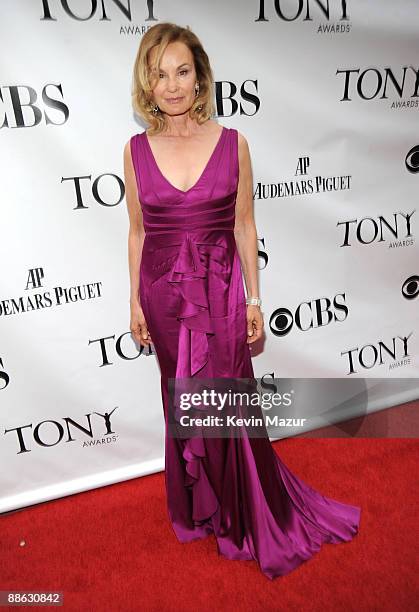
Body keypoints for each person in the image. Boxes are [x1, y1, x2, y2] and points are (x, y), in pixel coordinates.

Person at [123, 22, 361, 580]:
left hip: (222, 288)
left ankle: (242, 511)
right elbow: (136, 232)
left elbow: (245, 222)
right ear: (147, 84)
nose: (173, 86)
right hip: (162, 295)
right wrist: (134, 304)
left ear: (200, 76)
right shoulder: (135, 150)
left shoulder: (234, 142)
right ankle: (199, 508)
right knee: (181, 399)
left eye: (182, 71)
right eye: (160, 75)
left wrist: (256, 297)